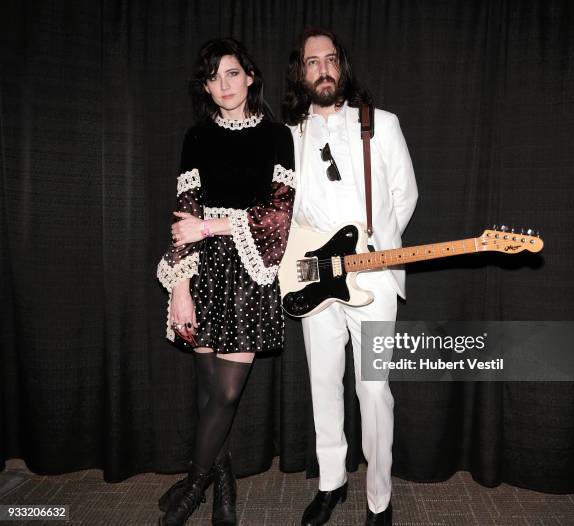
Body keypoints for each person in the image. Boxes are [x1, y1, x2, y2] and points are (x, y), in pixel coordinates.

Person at [156, 37, 295, 526]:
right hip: (202, 271)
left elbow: (279, 215)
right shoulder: (196, 137)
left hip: (251, 271)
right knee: (207, 389)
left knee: (227, 393)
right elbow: (184, 215)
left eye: (232, 73)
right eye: (213, 78)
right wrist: (178, 287)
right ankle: (223, 485)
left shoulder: (279, 136)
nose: (224, 85)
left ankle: (195, 485)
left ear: (251, 76)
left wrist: (212, 226)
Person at [282, 28, 418, 526]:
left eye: (331, 59)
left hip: (374, 278)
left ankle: (379, 499)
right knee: (322, 381)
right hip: (315, 275)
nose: (323, 68)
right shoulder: (290, 134)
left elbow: (406, 196)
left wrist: (372, 249)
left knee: (375, 390)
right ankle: (331, 482)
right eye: (312, 61)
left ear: (342, 66)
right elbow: (286, 210)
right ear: (301, 71)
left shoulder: (380, 124)